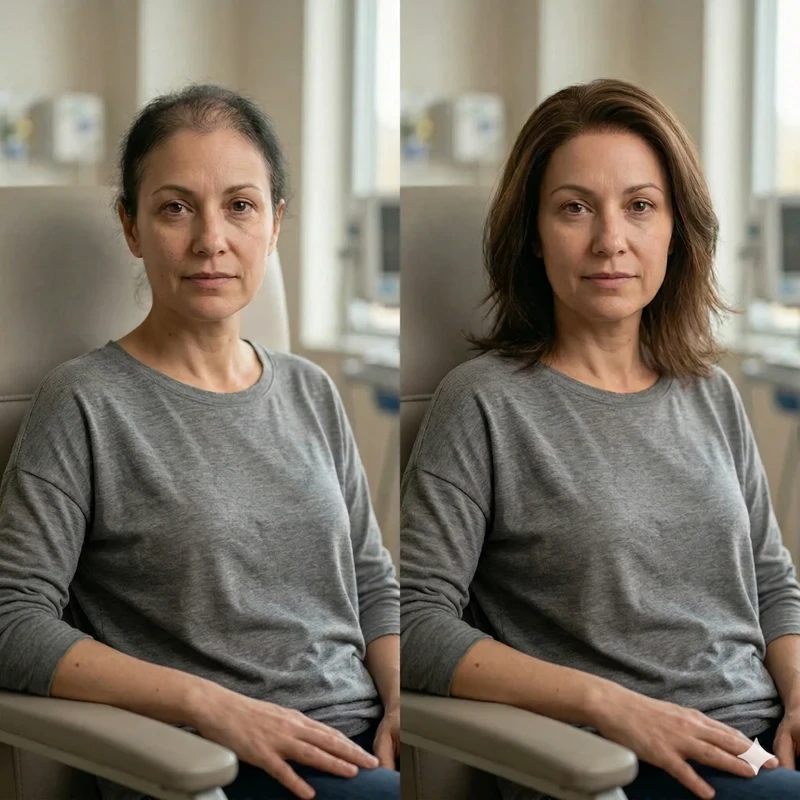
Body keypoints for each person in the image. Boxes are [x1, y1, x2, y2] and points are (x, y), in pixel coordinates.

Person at [400, 78, 800, 800]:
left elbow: (771, 585)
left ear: (676, 230)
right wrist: (608, 706)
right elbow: (416, 623)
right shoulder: (485, 402)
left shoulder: (710, 393)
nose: (610, 240)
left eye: (640, 206)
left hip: (759, 745)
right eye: (575, 208)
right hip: (613, 766)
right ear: (533, 234)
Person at [0, 84, 400, 800]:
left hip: (363, 744)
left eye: (240, 206)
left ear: (275, 225)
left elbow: (372, 584)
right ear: (131, 226)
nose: (210, 239)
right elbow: (13, 623)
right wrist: (207, 705)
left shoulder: (311, 390)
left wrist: (406, 699)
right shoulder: (87, 401)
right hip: (209, 764)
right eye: (175, 207)